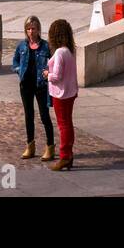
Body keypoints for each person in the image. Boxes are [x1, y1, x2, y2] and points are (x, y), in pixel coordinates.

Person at [10, 16, 54, 161]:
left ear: (38, 29)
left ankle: (50, 146)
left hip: (40, 85)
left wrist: (48, 71)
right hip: (26, 84)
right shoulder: (22, 46)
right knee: (28, 115)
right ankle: (30, 145)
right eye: (28, 29)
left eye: (33, 28)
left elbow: (53, 61)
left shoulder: (45, 46)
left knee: (44, 115)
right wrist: (18, 70)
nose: (31, 31)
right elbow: (15, 60)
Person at [44, 19, 78, 171]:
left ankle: (64, 156)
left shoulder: (59, 52)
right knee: (68, 123)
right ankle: (69, 154)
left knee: (63, 125)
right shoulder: (70, 51)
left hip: (61, 93)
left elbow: (56, 76)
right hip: (70, 92)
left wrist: (47, 74)